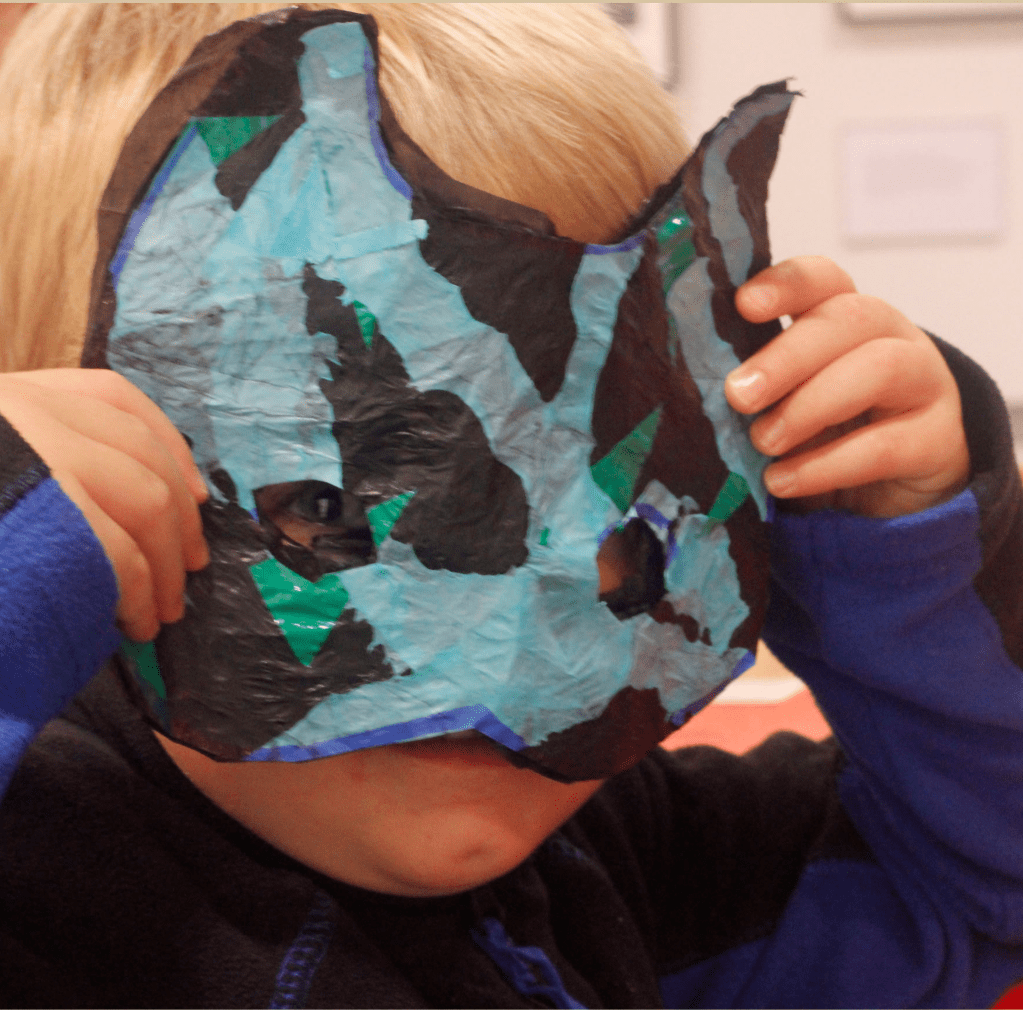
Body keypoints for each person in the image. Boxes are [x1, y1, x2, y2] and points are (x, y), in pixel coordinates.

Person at [0, 4, 1020, 1007]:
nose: (501, 651)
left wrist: (900, 556)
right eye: (327, 513)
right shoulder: (49, 877)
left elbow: (985, 891)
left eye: (618, 535)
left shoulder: (634, 871)